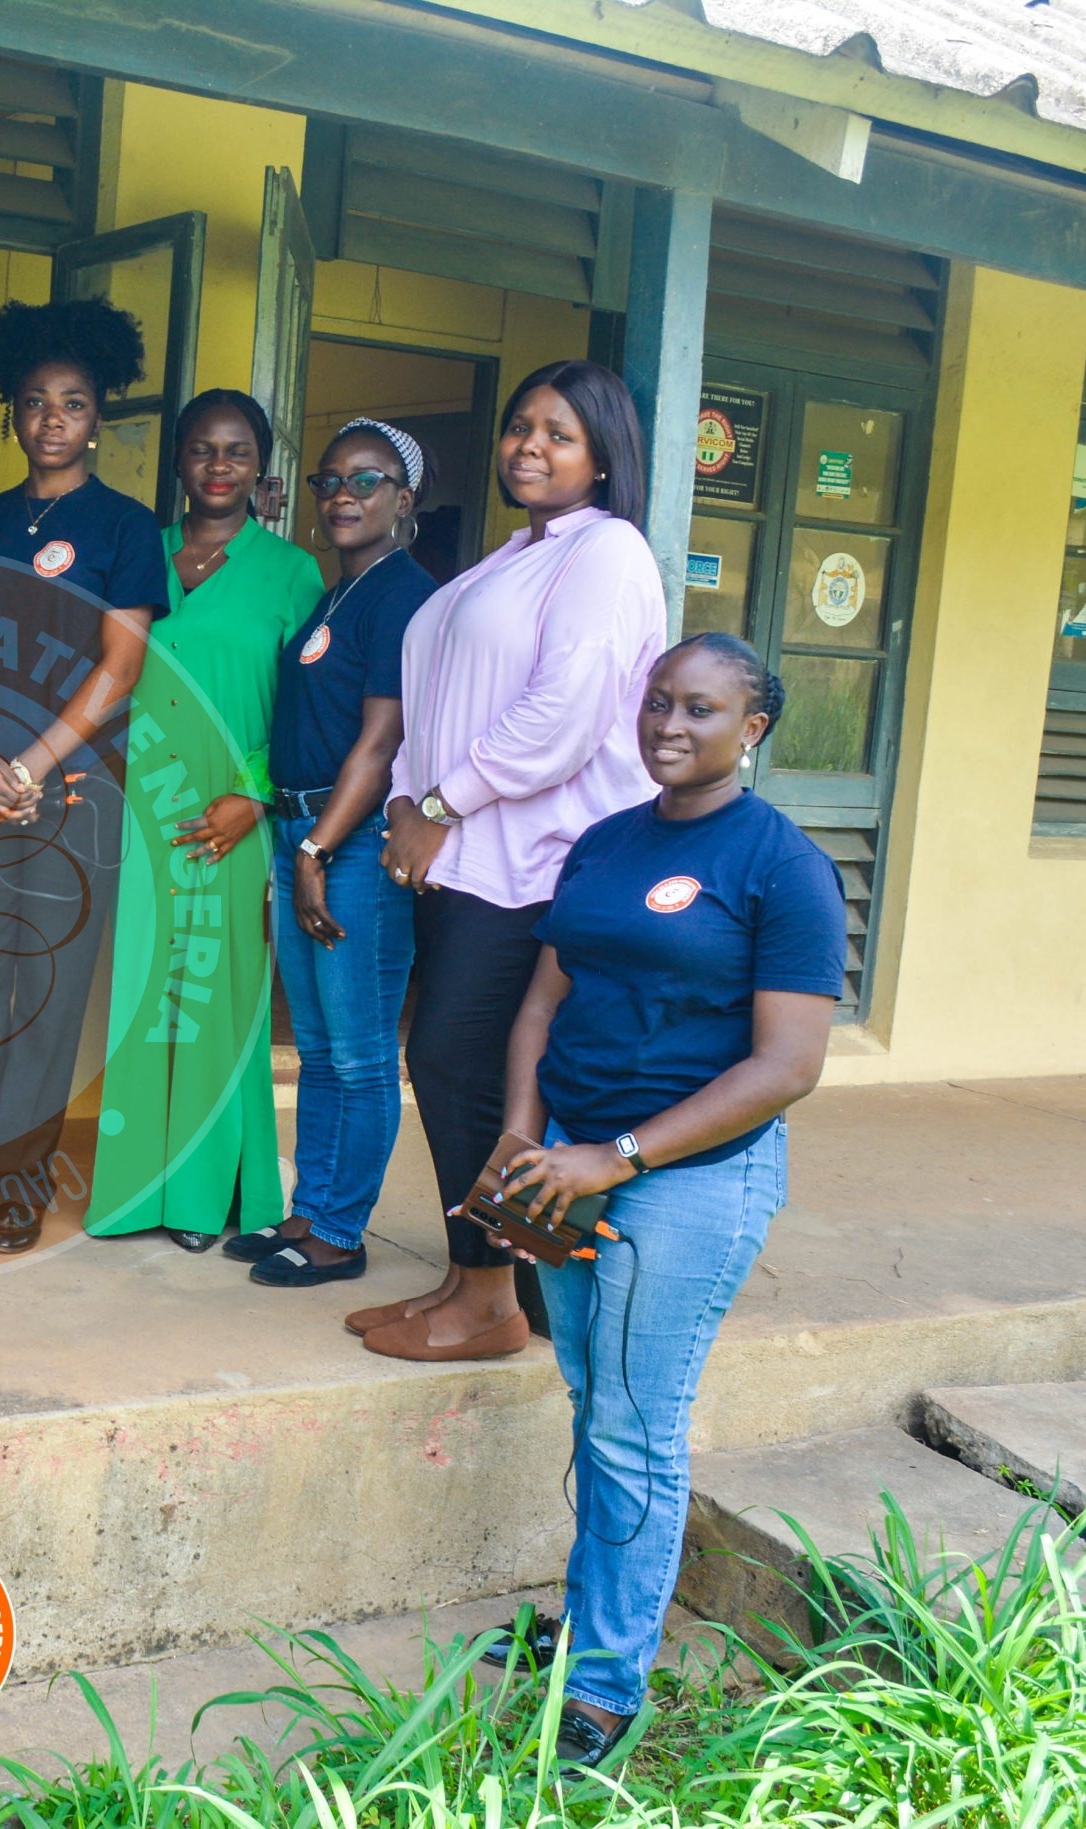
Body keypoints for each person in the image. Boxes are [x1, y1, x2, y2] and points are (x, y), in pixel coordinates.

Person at [487, 632, 844, 1772]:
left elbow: (787, 1065)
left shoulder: (783, 865)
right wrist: (524, 1136)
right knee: (596, 1399)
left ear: (753, 727)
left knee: (635, 1426)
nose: (668, 724)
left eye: (699, 708)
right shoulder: (607, 840)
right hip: (567, 1165)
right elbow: (542, 1002)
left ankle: (603, 1686)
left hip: (686, 1181)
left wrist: (619, 1154)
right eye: (656, 701)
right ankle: (593, 1623)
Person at [350, 360, 666, 1363]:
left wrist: (442, 803)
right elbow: (436, 701)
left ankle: (495, 1295)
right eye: (520, 426)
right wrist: (407, 801)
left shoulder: (607, 551)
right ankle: (468, 1276)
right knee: (459, 1065)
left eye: (559, 433)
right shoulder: (515, 553)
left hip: (538, 864)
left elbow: (563, 713)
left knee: (459, 1062)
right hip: (464, 855)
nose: (530, 445)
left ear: (603, 457)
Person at [0, 296, 167, 1255]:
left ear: (97, 419)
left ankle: (19, 1184)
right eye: (36, 401)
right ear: (13, 412)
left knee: (43, 992)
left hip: (74, 792)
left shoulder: (125, 526)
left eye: (73, 404)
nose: (52, 420)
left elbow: (121, 666)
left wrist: (29, 764)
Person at [85, 389, 320, 1250]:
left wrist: (254, 796)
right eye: (202, 449)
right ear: (177, 460)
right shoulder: (135, 552)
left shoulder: (292, 571)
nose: (218, 466)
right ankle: (135, 1189)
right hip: (141, 810)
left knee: (217, 1002)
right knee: (145, 997)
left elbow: (308, 707)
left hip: (233, 814)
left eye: (237, 451)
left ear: (261, 467)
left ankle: (207, 1192)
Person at [228, 419, 438, 1287]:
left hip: (351, 844)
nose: (343, 494)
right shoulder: (336, 592)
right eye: (330, 480)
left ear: (404, 498)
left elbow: (382, 741)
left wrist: (317, 846)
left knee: (359, 1052)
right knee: (316, 1048)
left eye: (366, 479)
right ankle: (311, 1209)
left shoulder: (403, 595)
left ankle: (342, 1232)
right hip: (303, 833)